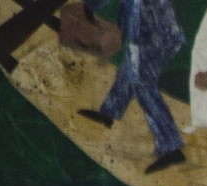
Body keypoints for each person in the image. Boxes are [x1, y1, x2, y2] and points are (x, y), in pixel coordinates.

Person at [77, 0, 190, 175]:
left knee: (143, 84)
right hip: (151, 30)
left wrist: (90, 6)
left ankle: (171, 146)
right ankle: (109, 112)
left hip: (152, 32)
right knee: (130, 72)